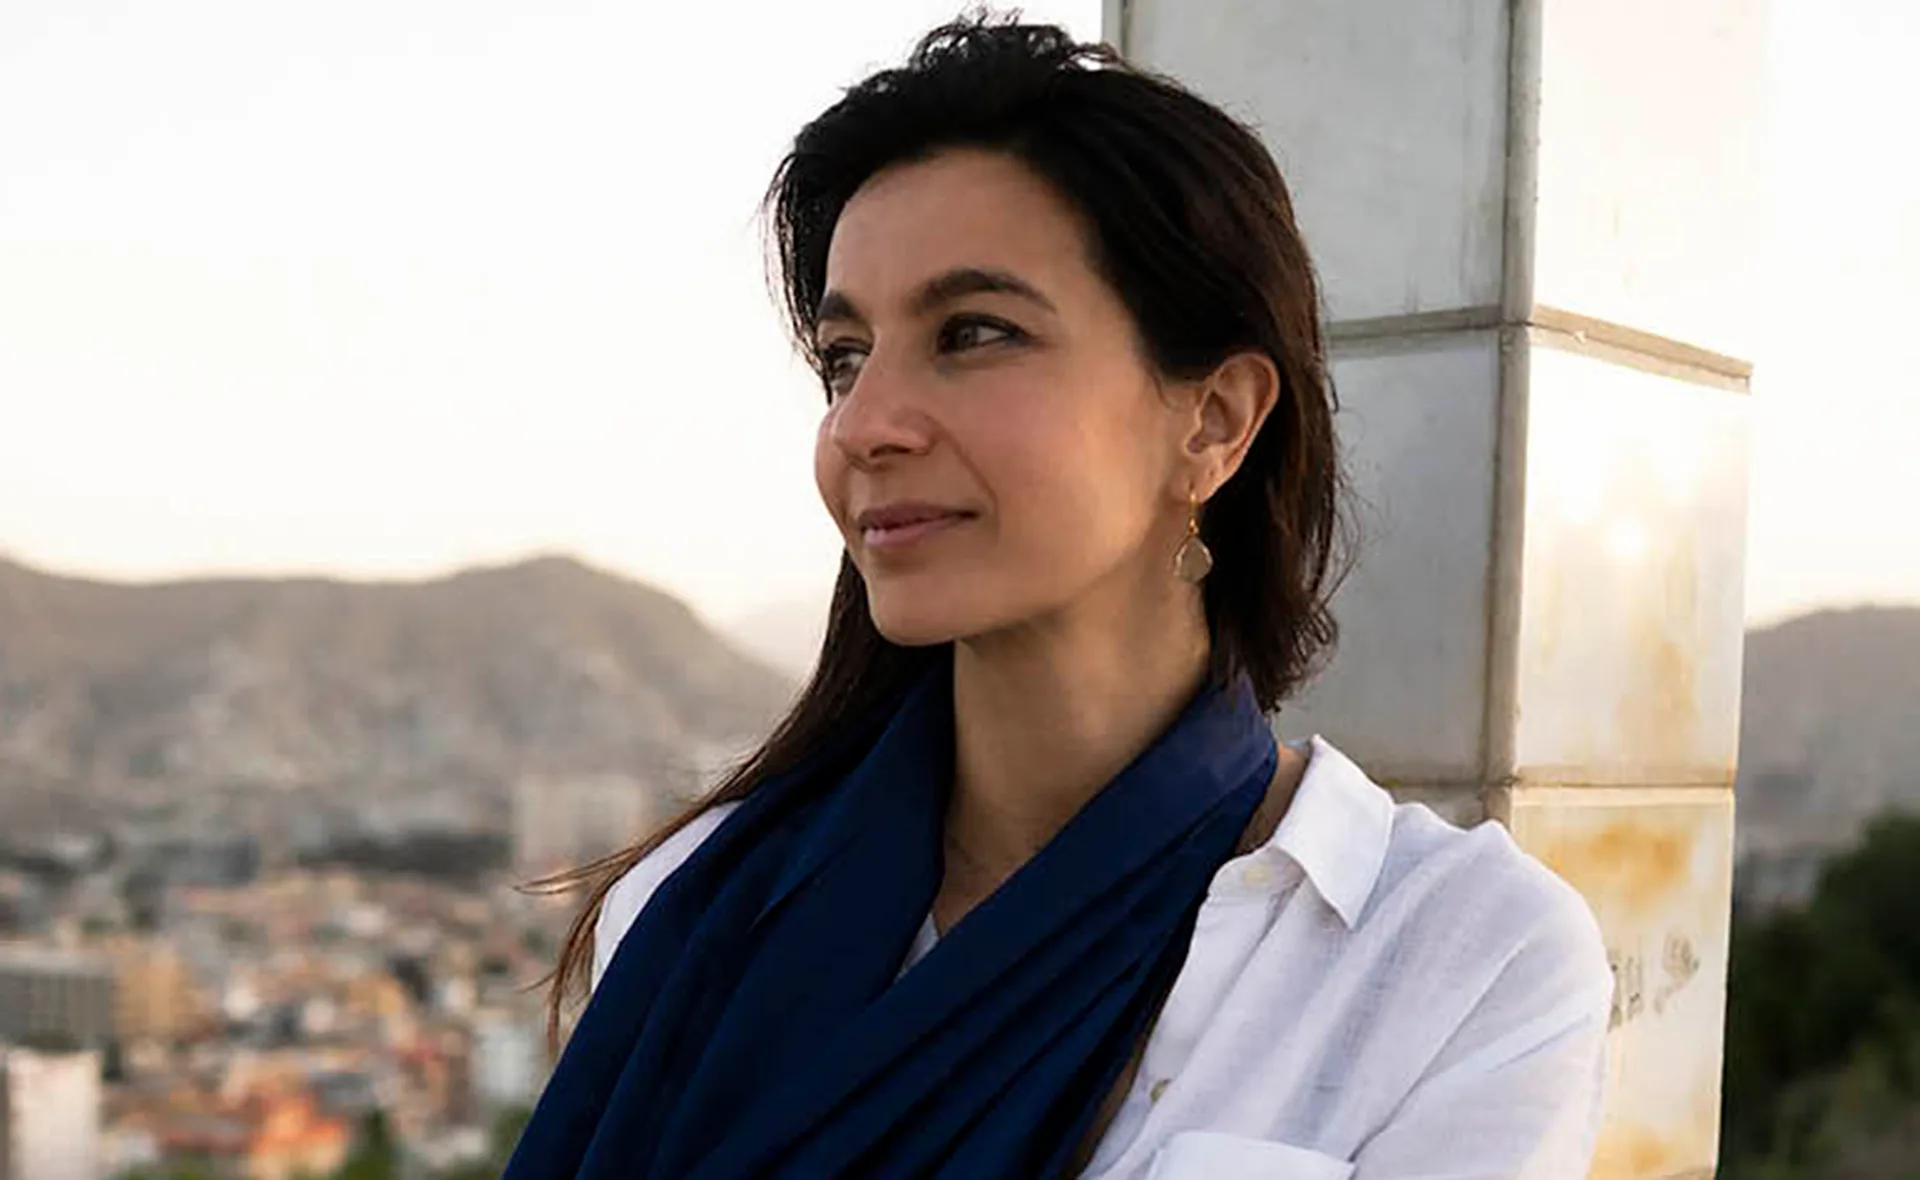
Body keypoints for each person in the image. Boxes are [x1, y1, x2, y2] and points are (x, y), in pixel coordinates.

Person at [507, 15, 1612, 1180]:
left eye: (973, 333)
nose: (865, 423)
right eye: (845, 356)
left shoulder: (1454, 961)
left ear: (1215, 420)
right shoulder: (697, 906)